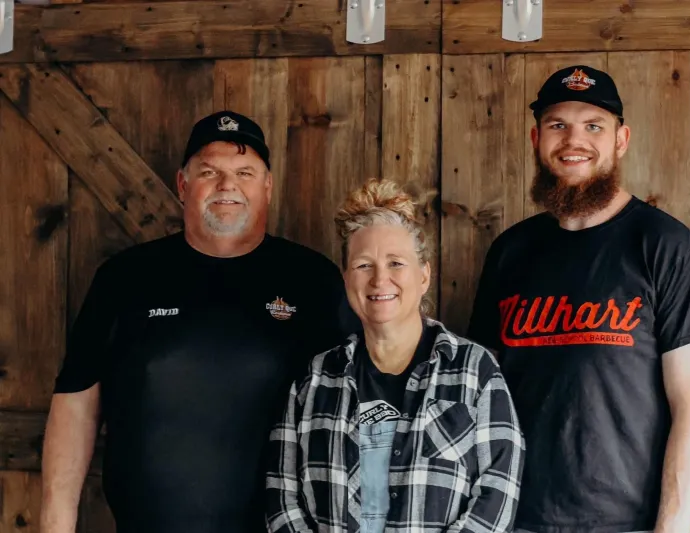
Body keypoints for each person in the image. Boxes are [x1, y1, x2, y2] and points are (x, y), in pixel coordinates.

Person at [40, 111, 355, 533]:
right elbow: (76, 401)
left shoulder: (312, 279)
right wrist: (55, 522)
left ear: (267, 186)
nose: (228, 186)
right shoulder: (125, 277)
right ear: (183, 185)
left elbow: (356, 404)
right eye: (210, 171)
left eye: (245, 172)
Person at [467, 66, 690, 533]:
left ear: (620, 139)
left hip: (624, 522)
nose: (573, 141)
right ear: (536, 138)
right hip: (510, 517)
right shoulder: (510, 251)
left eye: (593, 126)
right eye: (557, 125)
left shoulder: (664, 245)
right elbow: (480, 395)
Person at [266, 178, 525, 533]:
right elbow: (282, 495)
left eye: (396, 263)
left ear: (424, 275)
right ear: (346, 278)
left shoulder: (474, 369)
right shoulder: (316, 377)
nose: (379, 280)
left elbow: (498, 490)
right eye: (363, 265)